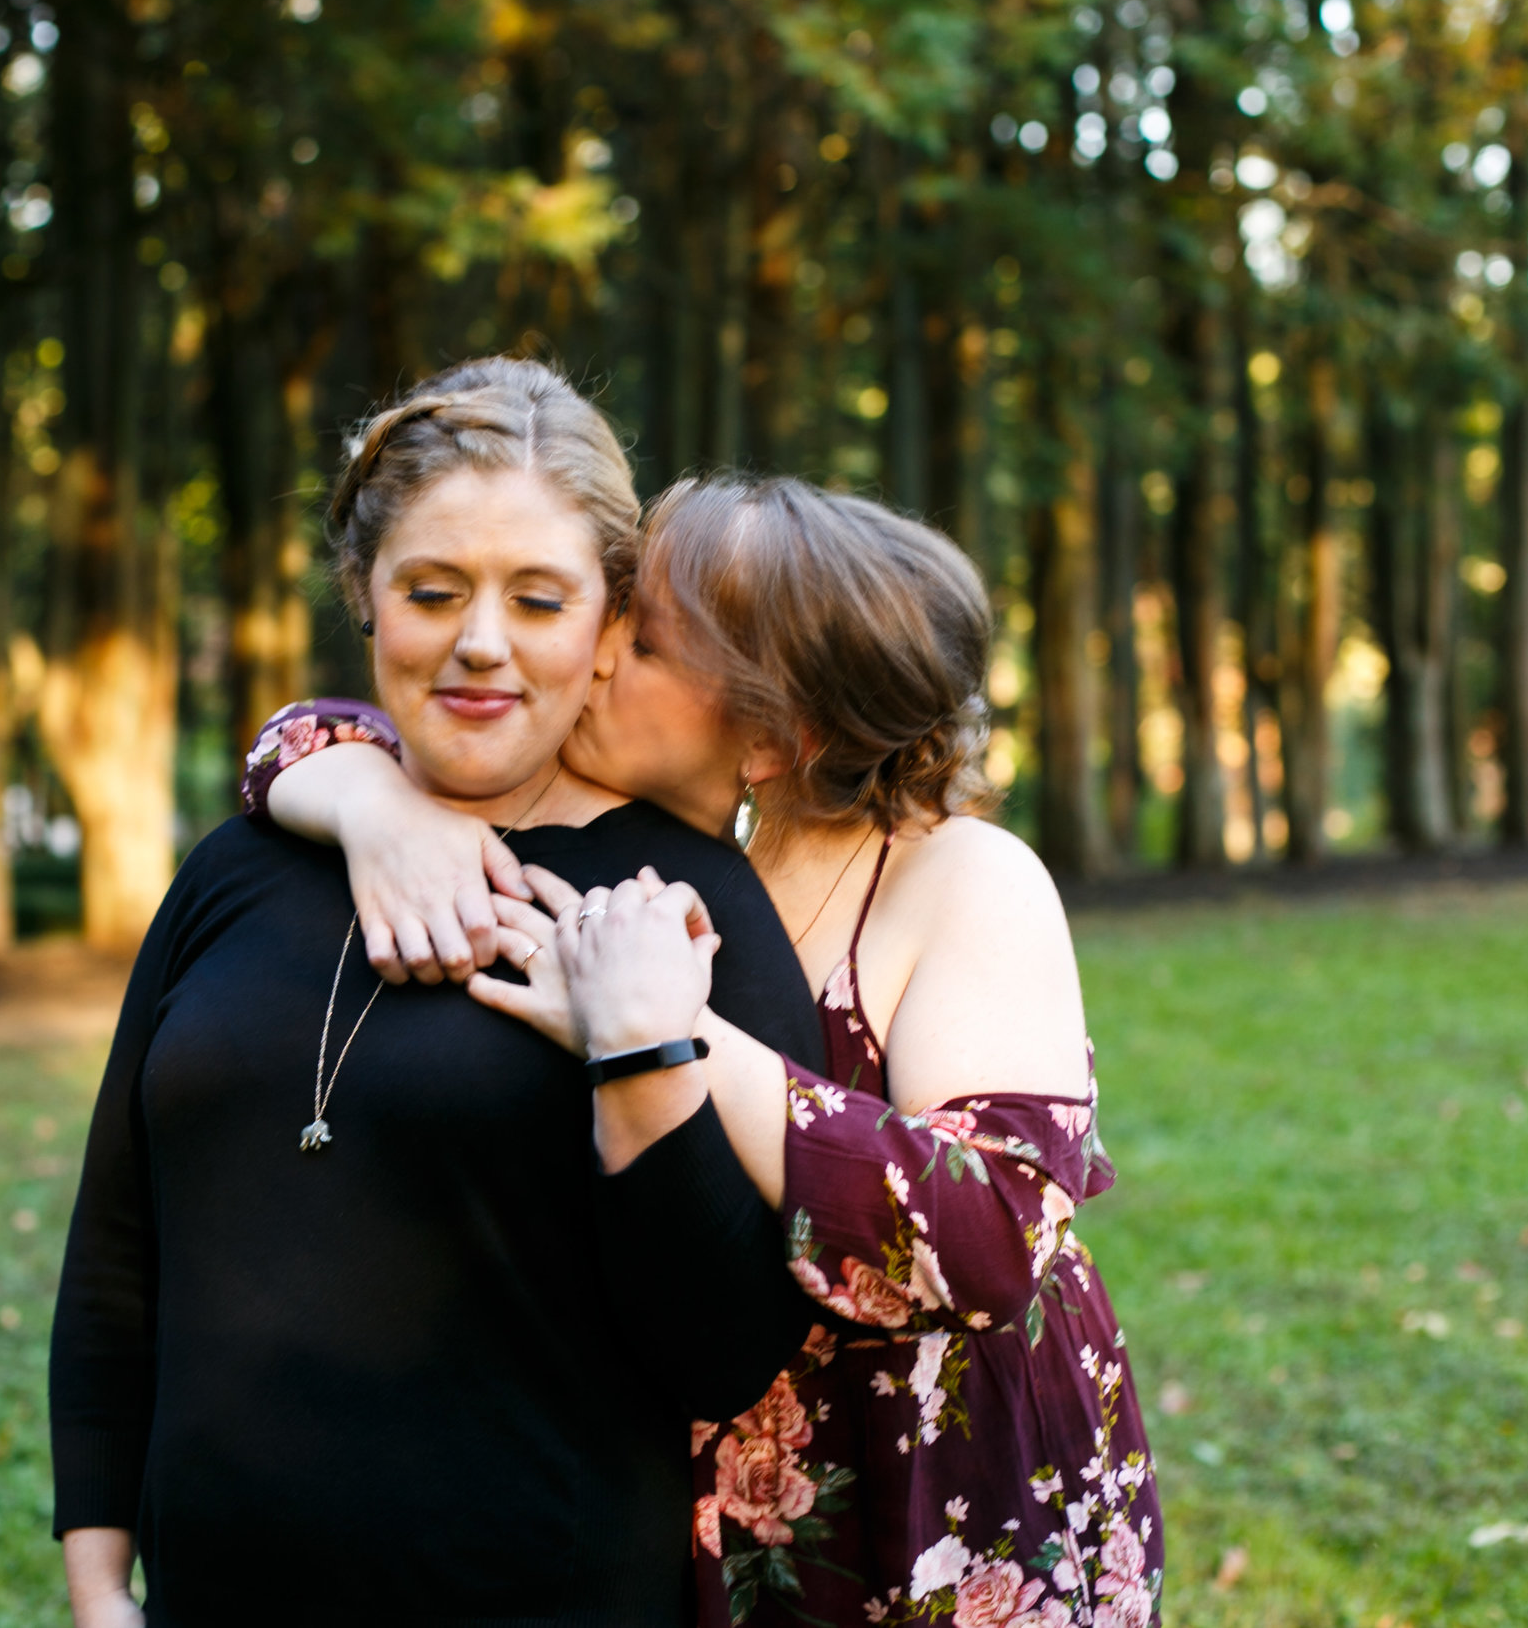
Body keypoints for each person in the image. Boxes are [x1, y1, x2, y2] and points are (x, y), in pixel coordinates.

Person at [247, 477, 1162, 1627]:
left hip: (936, 1487)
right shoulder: (620, 834)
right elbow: (310, 727)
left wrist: (669, 1029)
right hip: (693, 1476)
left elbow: (992, 1228)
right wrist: (372, 806)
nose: (591, 652)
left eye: (646, 640)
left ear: (778, 734)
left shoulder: (957, 876)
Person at [49, 366, 825, 1627]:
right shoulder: (236, 869)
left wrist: (640, 1058)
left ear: (607, 625)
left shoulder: (687, 898)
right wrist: (97, 1581)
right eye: (432, 591)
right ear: (365, 596)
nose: (480, 641)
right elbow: (118, 1246)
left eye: (537, 598)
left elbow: (729, 1349)